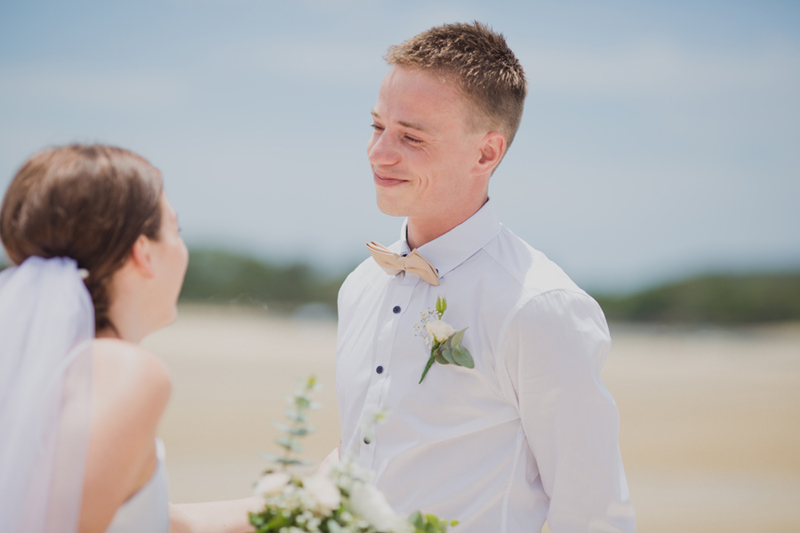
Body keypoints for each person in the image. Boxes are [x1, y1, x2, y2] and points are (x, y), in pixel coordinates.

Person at [335, 22, 636, 531]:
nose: (379, 153)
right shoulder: (360, 285)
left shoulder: (538, 304)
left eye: (410, 136)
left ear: (486, 153)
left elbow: (594, 510)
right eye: (376, 126)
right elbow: (368, 454)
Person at [0, 145, 260, 533]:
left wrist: (311, 496)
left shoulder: (29, 366)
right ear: (144, 252)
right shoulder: (127, 372)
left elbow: (168, 521)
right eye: (176, 230)